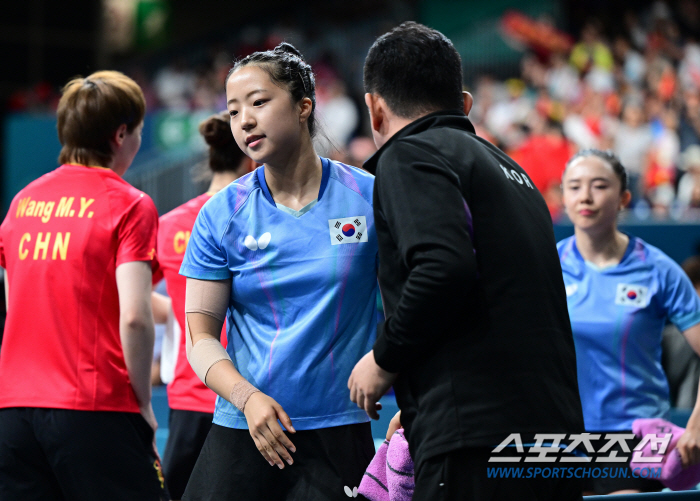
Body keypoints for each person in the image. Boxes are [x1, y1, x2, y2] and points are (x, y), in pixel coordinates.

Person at [348, 22, 585, 501]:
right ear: (465, 104)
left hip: (476, 441)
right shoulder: (513, 172)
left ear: (374, 110)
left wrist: (384, 359)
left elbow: (443, 269)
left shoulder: (409, 153)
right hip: (554, 438)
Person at [179, 43, 378, 500]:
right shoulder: (222, 214)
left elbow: (415, 301)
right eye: (232, 112)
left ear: (304, 105)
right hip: (245, 428)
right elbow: (200, 337)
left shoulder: (369, 197)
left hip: (339, 430)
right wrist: (247, 399)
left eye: (259, 102)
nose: (244, 120)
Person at [0, 71, 166, 500]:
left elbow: (14, 304)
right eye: (139, 133)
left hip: (14, 414)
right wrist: (143, 404)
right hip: (95, 409)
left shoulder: (22, 203)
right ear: (121, 133)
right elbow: (134, 316)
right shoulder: (130, 203)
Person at [558, 149, 700, 495]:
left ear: (623, 197)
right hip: (561, 436)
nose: (585, 197)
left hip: (643, 435)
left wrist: (697, 425)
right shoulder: (545, 264)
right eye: (574, 187)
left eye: (599, 185)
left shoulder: (658, 269)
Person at [152, 110, 255, 500]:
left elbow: (133, 293)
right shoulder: (255, 216)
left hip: (188, 390)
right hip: (246, 392)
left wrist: (175, 312)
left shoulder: (170, 223)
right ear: (250, 158)